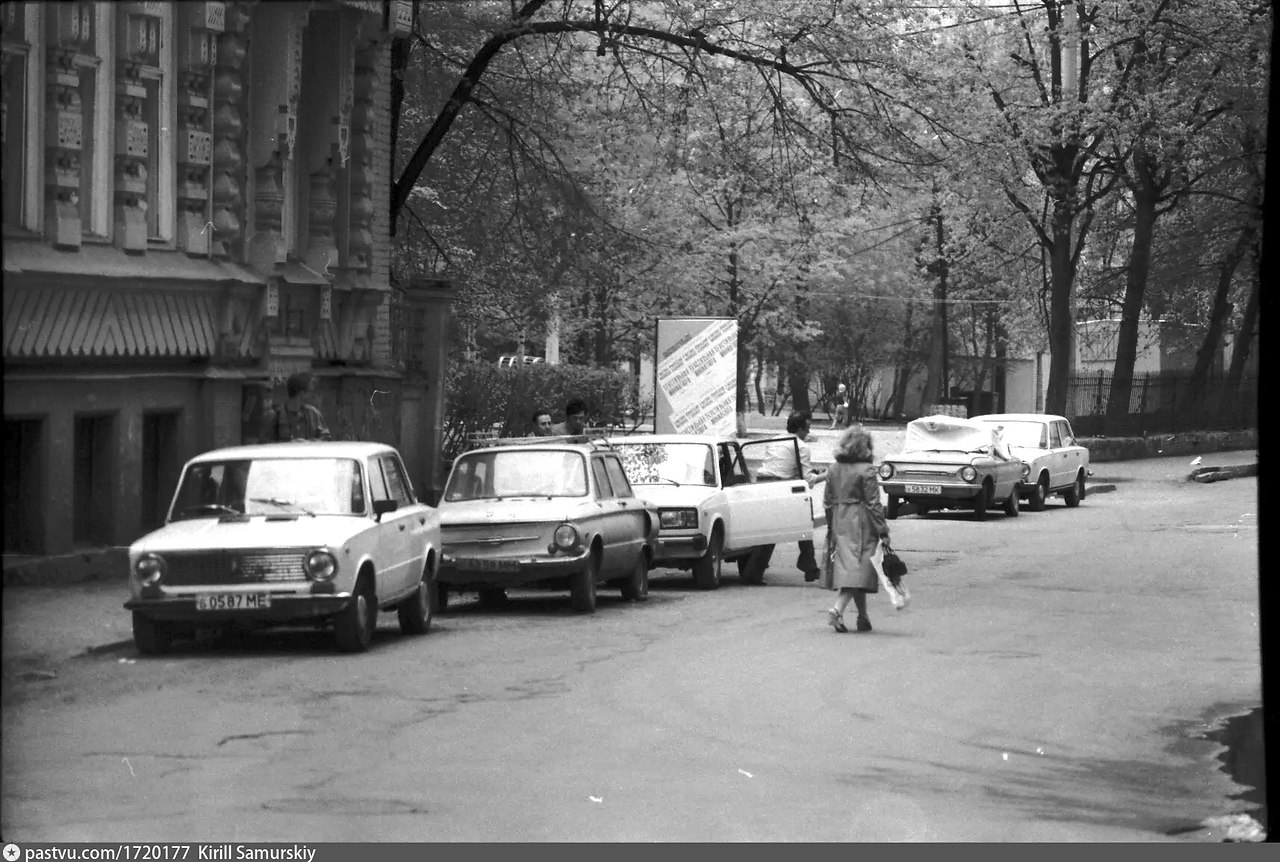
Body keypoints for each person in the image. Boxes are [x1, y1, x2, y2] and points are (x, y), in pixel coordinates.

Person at [821, 425, 889, 633]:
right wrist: (883, 530)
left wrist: (831, 525)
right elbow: (873, 504)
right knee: (859, 569)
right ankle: (837, 609)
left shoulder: (833, 469)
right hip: (861, 522)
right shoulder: (866, 470)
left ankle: (863, 617)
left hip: (839, 520)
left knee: (852, 569)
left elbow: (827, 500)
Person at [751, 410, 826, 582]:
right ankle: (808, 566)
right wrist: (827, 475)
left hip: (762, 483)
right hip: (780, 486)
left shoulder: (774, 440)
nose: (808, 432)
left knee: (772, 527)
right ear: (799, 428)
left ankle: (808, 566)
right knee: (802, 523)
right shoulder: (802, 446)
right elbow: (808, 479)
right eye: (807, 428)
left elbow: (781, 465)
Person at [265, 372, 331, 442]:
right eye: (310, 391)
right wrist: (287, 444)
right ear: (301, 393)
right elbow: (266, 443)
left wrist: (309, 443)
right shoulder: (276, 415)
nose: (313, 395)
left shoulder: (314, 414)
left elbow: (326, 439)